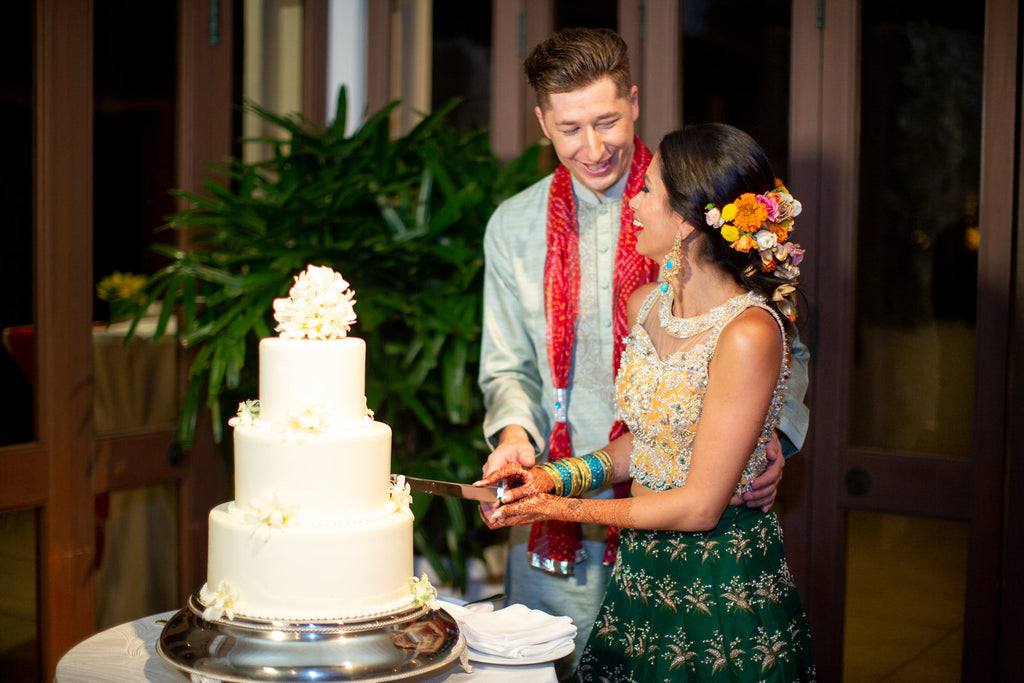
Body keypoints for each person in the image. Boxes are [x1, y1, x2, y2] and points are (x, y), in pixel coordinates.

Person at [477, 27, 810, 677]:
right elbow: (507, 364)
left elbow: (779, 338)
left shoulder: (702, 199)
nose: (595, 147)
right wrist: (519, 440)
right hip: (563, 537)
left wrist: (773, 433)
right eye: (571, 128)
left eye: (607, 120)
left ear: (633, 102)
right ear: (542, 122)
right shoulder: (513, 227)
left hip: (697, 530)